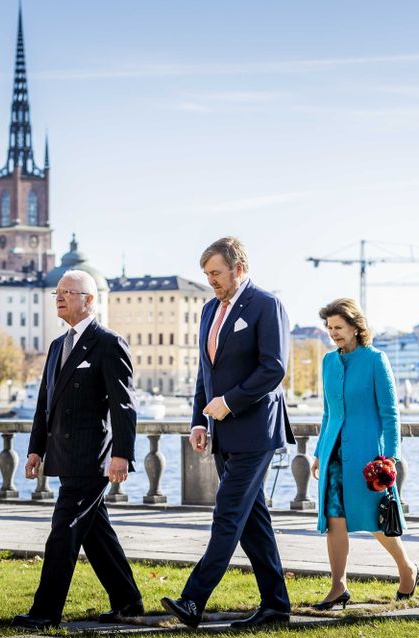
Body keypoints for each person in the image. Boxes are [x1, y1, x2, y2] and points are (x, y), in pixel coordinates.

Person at [161, 237, 295, 629]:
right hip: (221, 430)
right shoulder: (207, 310)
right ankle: (276, 606)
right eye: (206, 275)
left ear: (238, 268)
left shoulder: (266, 305)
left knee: (227, 513)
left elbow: (273, 369)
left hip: (256, 431)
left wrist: (230, 402)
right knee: (253, 523)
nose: (211, 281)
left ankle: (192, 600)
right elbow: (206, 372)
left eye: (216, 273)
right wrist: (200, 420)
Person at [11, 270, 143, 631]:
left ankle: (45, 611)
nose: (60, 297)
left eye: (68, 292)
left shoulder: (108, 343)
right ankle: (128, 603)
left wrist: (122, 454)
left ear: (89, 300)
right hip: (63, 455)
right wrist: (36, 449)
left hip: (92, 458)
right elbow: (44, 404)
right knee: (96, 534)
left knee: (63, 532)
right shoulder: (57, 346)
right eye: (57, 292)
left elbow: (124, 406)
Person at [310, 298, 419, 610]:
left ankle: (407, 568)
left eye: (339, 328)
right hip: (333, 454)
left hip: (366, 457)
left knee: (375, 519)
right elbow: (329, 413)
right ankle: (338, 587)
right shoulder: (329, 362)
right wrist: (319, 452)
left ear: (357, 328)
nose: (333, 333)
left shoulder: (375, 360)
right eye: (330, 328)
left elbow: (390, 414)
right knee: (334, 520)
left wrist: (392, 456)